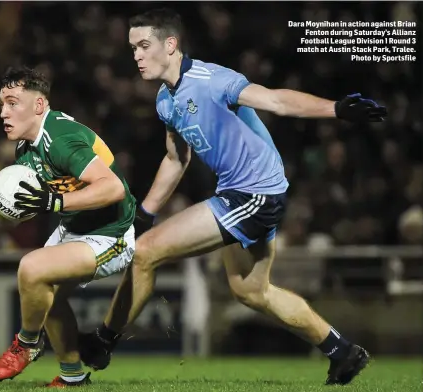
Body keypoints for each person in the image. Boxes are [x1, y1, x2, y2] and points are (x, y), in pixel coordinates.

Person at [78, 8, 387, 386]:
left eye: (144, 45)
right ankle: (342, 351)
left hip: (254, 193)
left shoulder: (212, 79)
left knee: (145, 253)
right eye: (133, 48)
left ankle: (102, 341)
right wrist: (145, 213)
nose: (137, 55)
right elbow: (177, 158)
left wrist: (336, 109)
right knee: (251, 291)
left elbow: (276, 101)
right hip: (244, 193)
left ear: (170, 45)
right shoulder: (165, 100)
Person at [0, 66, 137, 387]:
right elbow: (36, 202)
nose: (3, 112)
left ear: (38, 105)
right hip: (74, 229)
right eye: (1, 104)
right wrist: (3, 201)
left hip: (111, 234)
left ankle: (27, 344)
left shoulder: (61, 139)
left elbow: (113, 188)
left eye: (12, 102)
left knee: (31, 268)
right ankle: (72, 377)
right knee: (42, 293)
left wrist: (54, 203)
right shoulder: (25, 148)